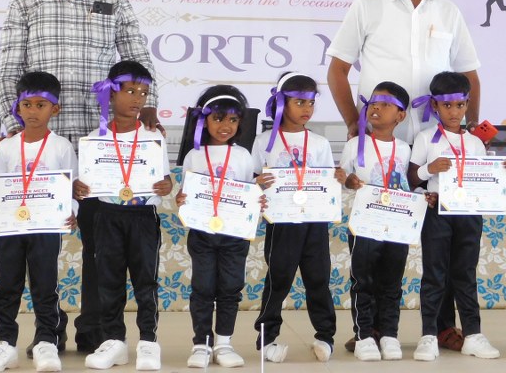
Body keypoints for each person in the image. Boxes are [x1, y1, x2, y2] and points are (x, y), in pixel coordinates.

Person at [0, 0, 160, 355]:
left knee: (99, 248)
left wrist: (148, 107)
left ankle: (95, 330)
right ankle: (47, 332)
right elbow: (9, 71)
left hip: (101, 145)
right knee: (40, 245)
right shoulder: (25, 4)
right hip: (42, 145)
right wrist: (14, 128)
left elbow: (139, 58)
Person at [326, 0, 481, 350]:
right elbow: (337, 69)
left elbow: (469, 74)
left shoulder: (448, 12)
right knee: (377, 241)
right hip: (383, 144)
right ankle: (373, 330)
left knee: (442, 244)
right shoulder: (367, 6)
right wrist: (354, 123)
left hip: (437, 145)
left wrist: (467, 131)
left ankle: (441, 327)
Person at [72, 61, 172, 371]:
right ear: (111, 94)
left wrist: (166, 185)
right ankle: (114, 341)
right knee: (108, 281)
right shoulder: (95, 138)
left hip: (142, 216)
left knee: (145, 281)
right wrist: (79, 188)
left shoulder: (154, 137)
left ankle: (148, 342)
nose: (137, 99)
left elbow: (164, 180)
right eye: (130, 91)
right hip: (107, 215)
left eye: (143, 92)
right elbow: (85, 184)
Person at [408, 71, 506, 362]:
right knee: (435, 274)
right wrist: (430, 170)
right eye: (447, 106)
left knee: (465, 274)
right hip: (438, 213)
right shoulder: (426, 138)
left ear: (467, 104)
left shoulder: (476, 142)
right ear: (435, 105)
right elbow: (411, 178)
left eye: (460, 105)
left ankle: (473, 334)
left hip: (469, 215)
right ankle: (429, 335)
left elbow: (484, 179)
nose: (454, 112)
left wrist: (505, 173)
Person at [0, 71, 76, 373]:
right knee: (7, 285)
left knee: (45, 285)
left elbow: (70, 187)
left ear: (55, 109)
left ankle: (47, 340)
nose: (33, 111)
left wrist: (71, 210)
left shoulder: (62, 146)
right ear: (17, 107)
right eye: (27, 105)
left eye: (40, 105)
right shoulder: (7, 147)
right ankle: (4, 343)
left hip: (46, 228)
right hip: (10, 227)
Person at [252, 73, 347, 364]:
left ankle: (325, 336)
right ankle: (267, 339)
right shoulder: (264, 142)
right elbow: (252, 180)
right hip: (281, 224)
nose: (307, 108)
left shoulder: (319, 142)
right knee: (278, 280)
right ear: (282, 103)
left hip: (314, 223)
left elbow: (328, 181)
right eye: (299, 102)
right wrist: (257, 182)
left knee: (318, 279)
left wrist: (338, 178)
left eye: (311, 102)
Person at [176, 86, 256, 369]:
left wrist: (257, 198)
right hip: (202, 234)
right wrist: (181, 199)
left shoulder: (244, 155)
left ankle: (223, 343)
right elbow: (185, 194)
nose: (226, 126)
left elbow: (248, 192)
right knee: (203, 287)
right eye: (218, 118)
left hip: (234, 235)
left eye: (233, 120)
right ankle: (201, 343)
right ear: (204, 120)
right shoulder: (194, 155)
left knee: (230, 288)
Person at [339, 82, 412, 361]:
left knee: (392, 282)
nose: (377, 108)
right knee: (363, 281)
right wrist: (348, 180)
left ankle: (390, 334)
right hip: (364, 225)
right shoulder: (354, 144)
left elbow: (406, 185)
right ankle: (364, 335)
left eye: (386, 104)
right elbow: (342, 177)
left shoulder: (404, 149)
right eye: (373, 103)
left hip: (396, 226)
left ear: (401, 115)